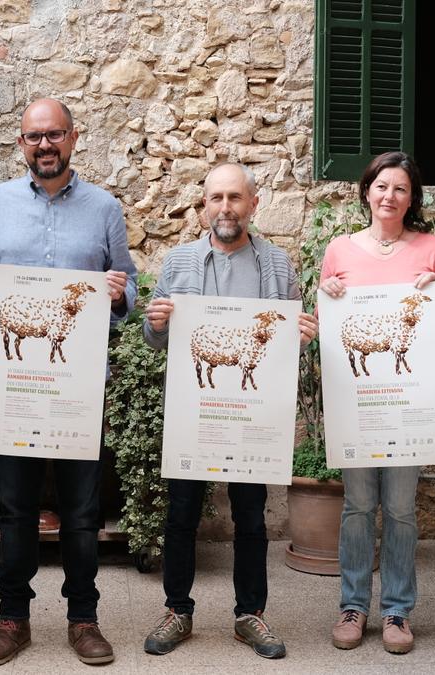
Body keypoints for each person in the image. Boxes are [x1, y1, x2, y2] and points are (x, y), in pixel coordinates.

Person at [0, 97, 137, 667]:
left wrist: (118, 293)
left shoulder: (105, 207)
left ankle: (84, 619)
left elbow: (129, 295)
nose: (45, 145)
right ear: (21, 143)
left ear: (73, 139)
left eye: (54, 135)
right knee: (14, 509)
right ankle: (13, 619)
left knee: (82, 513)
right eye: (35, 136)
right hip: (14, 387)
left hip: (78, 389)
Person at [140, 162, 318, 660]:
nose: (225, 207)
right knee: (180, 514)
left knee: (251, 517)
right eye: (215, 198)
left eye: (235, 198)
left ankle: (250, 614)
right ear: (203, 208)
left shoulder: (278, 265)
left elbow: (285, 349)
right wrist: (156, 323)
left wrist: (301, 337)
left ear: (253, 205)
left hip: (250, 416)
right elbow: (156, 342)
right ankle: (178, 609)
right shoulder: (178, 263)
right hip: (194, 414)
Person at [318, 151, 435, 655]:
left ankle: (397, 609)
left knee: (399, 508)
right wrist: (325, 291)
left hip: (408, 400)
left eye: (400, 189)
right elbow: (330, 327)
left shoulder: (433, 249)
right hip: (359, 402)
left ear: (412, 198)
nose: (389, 196)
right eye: (381, 186)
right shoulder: (339, 249)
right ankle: (353, 605)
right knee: (358, 505)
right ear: (367, 192)